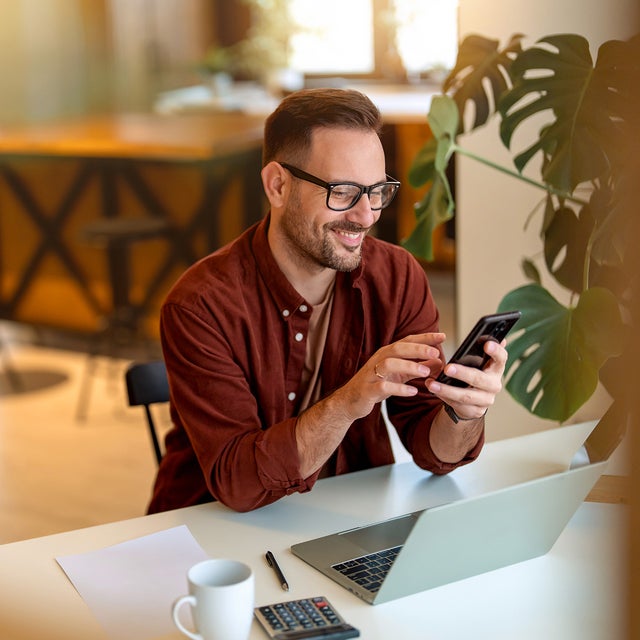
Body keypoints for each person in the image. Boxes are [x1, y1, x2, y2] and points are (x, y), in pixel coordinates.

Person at [147, 88, 508, 514]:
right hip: (211, 533)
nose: (366, 215)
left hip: (341, 518)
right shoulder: (201, 304)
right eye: (343, 192)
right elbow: (239, 485)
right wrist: (348, 402)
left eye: (376, 191)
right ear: (277, 185)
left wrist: (463, 414)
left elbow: (433, 452)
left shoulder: (397, 278)